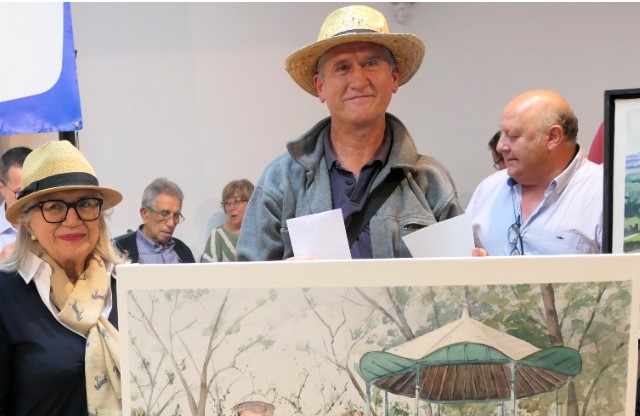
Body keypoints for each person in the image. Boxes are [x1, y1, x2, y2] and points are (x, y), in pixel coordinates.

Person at [236, 4, 461, 261]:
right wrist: (285, 282)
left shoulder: (430, 181)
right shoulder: (280, 181)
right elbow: (246, 290)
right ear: (321, 86)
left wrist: (479, 274)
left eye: (371, 63)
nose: (358, 80)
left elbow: (465, 289)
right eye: (342, 67)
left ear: (394, 77)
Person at [0, 140, 128, 416]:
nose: (72, 219)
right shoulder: (5, 298)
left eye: (85, 204)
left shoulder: (130, 292)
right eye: (53, 206)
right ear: (29, 222)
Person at [466, 89, 603, 256]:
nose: (500, 146)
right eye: (502, 134)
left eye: (513, 136)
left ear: (553, 137)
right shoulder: (487, 189)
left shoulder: (605, 193)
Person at [114, 177, 195, 264]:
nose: (171, 224)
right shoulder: (117, 250)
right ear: (145, 214)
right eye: (164, 214)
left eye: (176, 215)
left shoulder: (183, 251)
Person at [201, 178, 254, 262]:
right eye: (227, 203)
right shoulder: (217, 235)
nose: (231, 208)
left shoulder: (260, 233)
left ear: (251, 202)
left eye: (236, 201)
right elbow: (207, 272)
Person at [0, 147, 32, 261]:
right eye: (20, 193)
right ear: (1, 188)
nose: (29, 199)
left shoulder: (53, 221)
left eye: (34, 191)